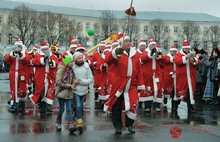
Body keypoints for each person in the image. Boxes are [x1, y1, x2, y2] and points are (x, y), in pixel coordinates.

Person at [104, 32, 145, 134]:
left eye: (129, 41)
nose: (128, 42)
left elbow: (139, 70)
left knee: (133, 103)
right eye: (126, 41)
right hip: (119, 83)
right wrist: (115, 53)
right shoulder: (118, 52)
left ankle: (129, 124)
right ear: (121, 43)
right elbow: (108, 59)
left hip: (131, 83)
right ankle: (118, 126)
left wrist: (140, 85)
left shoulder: (135, 55)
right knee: (116, 104)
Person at [29, 41, 59, 114]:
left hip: (50, 77)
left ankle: (49, 106)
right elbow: (33, 62)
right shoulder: (38, 55)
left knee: (50, 91)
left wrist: (51, 62)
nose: (45, 50)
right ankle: (42, 106)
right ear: (41, 49)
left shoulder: (52, 56)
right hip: (40, 77)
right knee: (41, 91)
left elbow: (56, 63)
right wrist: (43, 59)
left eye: (46, 49)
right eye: (44, 49)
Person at [173, 40, 201, 114]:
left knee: (190, 93)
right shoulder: (179, 54)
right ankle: (175, 105)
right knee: (180, 92)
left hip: (190, 77)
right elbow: (177, 61)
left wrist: (192, 58)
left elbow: (197, 63)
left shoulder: (192, 55)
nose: (187, 50)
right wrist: (185, 57)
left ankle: (190, 108)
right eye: (186, 48)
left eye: (188, 48)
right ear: (183, 48)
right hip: (182, 78)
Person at [140, 40, 166, 112]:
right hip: (148, 74)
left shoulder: (157, 52)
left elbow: (164, 60)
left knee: (158, 89)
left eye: (154, 45)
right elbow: (143, 58)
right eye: (152, 45)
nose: (153, 46)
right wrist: (150, 54)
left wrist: (159, 55)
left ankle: (156, 105)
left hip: (157, 74)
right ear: (149, 46)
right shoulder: (146, 52)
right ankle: (147, 106)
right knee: (148, 89)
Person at [5, 39, 30, 113]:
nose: (18, 48)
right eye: (17, 46)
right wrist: (12, 54)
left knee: (22, 89)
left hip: (21, 74)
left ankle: (21, 104)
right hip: (13, 74)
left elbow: (28, 61)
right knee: (13, 89)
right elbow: (6, 60)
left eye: (19, 47)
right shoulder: (12, 53)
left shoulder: (25, 53)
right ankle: (14, 104)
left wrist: (21, 56)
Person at [55, 55, 77, 133]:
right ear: (67, 63)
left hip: (68, 93)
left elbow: (72, 80)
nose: (73, 63)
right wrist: (69, 86)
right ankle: (58, 122)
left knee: (69, 109)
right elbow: (58, 82)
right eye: (71, 62)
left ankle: (70, 125)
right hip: (61, 92)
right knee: (61, 109)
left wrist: (75, 82)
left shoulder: (71, 70)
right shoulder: (61, 70)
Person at [72, 52, 93, 133]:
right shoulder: (73, 67)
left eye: (81, 57)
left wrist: (81, 81)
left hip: (84, 90)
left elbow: (90, 79)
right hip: (75, 90)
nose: (81, 59)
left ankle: (78, 117)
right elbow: (69, 77)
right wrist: (74, 82)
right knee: (78, 105)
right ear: (75, 59)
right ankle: (79, 121)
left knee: (80, 106)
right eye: (79, 58)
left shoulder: (86, 66)